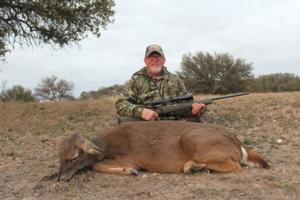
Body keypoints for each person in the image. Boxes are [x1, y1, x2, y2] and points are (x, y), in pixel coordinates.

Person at [115, 44, 206, 122]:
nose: (155, 60)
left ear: (163, 60)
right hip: (147, 123)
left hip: (176, 123)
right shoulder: (136, 80)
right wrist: (142, 112)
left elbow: (186, 104)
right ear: (145, 61)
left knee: (206, 116)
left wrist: (193, 110)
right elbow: (121, 105)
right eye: (151, 57)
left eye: (158, 57)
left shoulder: (176, 79)